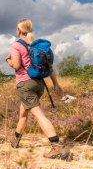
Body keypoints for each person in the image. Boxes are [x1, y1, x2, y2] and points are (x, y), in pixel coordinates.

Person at [5, 18, 70, 160]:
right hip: (39, 84)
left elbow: (16, 65)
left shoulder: (16, 45)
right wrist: (56, 84)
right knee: (23, 112)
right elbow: (49, 68)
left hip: (25, 85)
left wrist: (8, 60)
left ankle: (57, 147)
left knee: (39, 115)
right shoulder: (36, 45)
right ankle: (15, 139)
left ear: (18, 30)